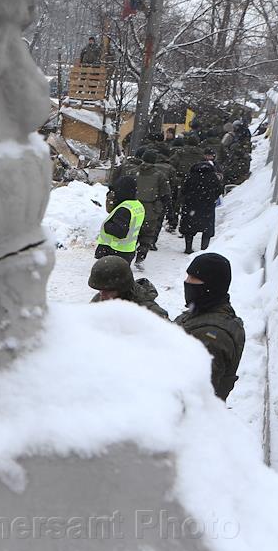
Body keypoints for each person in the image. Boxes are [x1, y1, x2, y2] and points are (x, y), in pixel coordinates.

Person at [176, 253, 245, 401]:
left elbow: (194, 398)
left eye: (193, 278)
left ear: (210, 285)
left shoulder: (211, 335)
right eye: (188, 276)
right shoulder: (206, 311)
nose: (187, 282)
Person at [88, 256, 168, 318]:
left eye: (109, 290)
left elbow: (168, 332)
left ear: (122, 288)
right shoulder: (101, 299)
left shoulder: (149, 312)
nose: (102, 294)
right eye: (100, 290)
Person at [133, 150, 170, 266]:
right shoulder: (160, 176)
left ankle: (128, 255)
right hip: (151, 209)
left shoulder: (133, 172)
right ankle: (140, 258)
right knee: (147, 235)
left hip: (133, 208)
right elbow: (165, 194)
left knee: (132, 233)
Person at [95, 176, 144, 263]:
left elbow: (119, 232)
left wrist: (106, 225)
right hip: (127, 251)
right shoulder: (137, 205)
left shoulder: (124, 209)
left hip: (115, 251)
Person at [180, 157, 224, 253]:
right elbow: (219, 190)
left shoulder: (191, 176)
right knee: (207, 228)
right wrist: (212, 198)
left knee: (189, 227)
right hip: (207, 206)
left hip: (191, 205)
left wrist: (188, 198)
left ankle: (188, 247)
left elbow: (184, 190)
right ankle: (204, 248)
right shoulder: (213, 177)